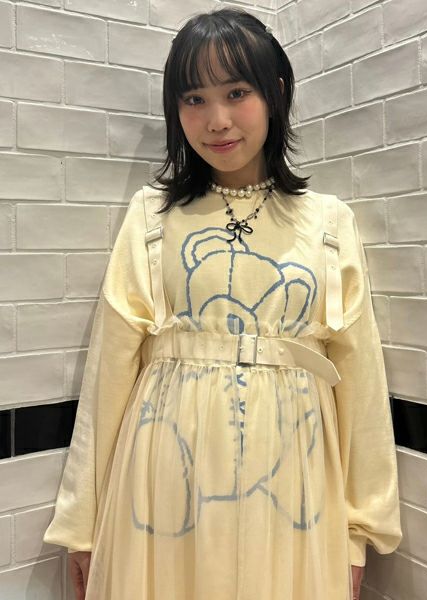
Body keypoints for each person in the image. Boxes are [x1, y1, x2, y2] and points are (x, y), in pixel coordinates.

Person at [43, 7, 402, 600]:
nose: (217, 120)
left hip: (293, 482)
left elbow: (359, 378)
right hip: (165, 480)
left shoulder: (329, 221)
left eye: (236, 92)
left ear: (275, 93)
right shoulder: (151, 215)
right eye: (194, 99)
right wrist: (82, 524)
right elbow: (110, 369)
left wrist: (358, 532)